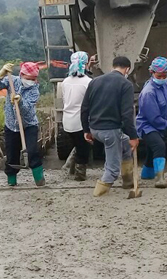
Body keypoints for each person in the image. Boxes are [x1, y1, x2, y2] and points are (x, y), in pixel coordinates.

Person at [81, 56, 139, 197]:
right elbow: (127, 114)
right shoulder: (125, 84)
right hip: (110, 130)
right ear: (127, 69)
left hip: (95, 128)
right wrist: (133, 136)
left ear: (112, 66)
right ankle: (99, 194)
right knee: (112, 168)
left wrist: (86, 130)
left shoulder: (95, 81)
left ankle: (127, 180)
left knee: (125, 145)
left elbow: (84, 108)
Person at [0, 61, 44, 186]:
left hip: (29, 125)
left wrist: (20, 102)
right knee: (11, 155)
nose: (30, 81)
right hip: (11, 125)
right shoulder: (11, 80)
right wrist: (0, 74)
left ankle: (39, 179)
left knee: (32, 151)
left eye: (33, 79)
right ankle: (11, 180)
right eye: (28, 78)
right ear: (21, 75)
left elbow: (27, 110)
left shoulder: (34, 90)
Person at [136, 57, 167, 187]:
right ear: (152, 73)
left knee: (152, 150)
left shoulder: (162, 86)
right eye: (159, 76)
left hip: (157, 124)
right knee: (159, 146)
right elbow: (154, 118)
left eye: (164, 76)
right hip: (147, 126)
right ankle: (160, 178)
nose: (162, 78)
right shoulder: (149, 92)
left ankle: (147, 174)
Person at [60, 51, 93, 182]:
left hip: (67, 120)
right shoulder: (88, 82)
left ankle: (70, 167)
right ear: (85, 64)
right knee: (83, 148)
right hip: (81, 120)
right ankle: (80, 174)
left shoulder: (65, 81)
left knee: (77, 144)